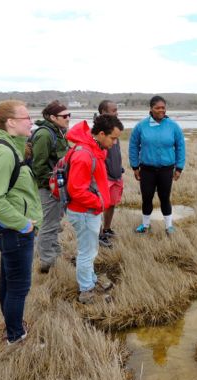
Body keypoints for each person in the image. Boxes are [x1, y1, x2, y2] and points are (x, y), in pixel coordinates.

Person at [0, 100, 43, 344]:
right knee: (18, 287)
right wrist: (23, 224)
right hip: (14, 231)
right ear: (11, 122)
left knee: (8, 281)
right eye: (26, 117)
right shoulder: (3, 151)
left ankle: (12, 325)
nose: (31, 121)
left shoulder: (11, 146)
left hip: (10, 231)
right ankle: (16, 337)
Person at [66, 114, 124, 304]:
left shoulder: (94, 149)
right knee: (86, 253)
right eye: (113, 138)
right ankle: (86, 291)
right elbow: (76, 190)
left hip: (90, 211)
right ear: (100, 134)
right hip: (84, 212)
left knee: (90, 250)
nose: (115, 143)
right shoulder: (84, 155)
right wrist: (99, 203)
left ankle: (90, 280)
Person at [128, 95, 186, 234]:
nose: (161, 110)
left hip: (166, 169)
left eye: (163, 108)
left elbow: (180, 147)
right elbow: (133, 146)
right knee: (146, 198)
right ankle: (145, 225)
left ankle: (168, 226)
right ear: (151, 109)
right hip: (147, 170)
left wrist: (179, 168)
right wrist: (135, 166)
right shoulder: (141, 126)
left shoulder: (173, 126)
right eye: (157, 107)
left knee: (165, 197)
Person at [31, 101, 71, 273]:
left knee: (55, 222)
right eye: (65, 116)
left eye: (69, 115)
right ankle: (47, 262)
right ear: (53, 117)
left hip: (58, 187)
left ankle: (54, 254)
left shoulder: (60, 133)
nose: (68, 119)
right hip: (48, 188)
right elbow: (38, 166)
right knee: (48, 224)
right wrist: (52, 185)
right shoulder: (45, 135)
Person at [95, 100, 124, 248]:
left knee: (111, 204)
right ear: (103, 112)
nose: (116, 112)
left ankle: (106, 229)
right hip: (104, 177)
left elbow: (116, 153)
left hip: (116, 174)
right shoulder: (99, 132)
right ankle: (98, 234)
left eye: (116, 110)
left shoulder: (115, 129)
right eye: (113, 110)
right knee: (100, 206)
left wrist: (120, 169)